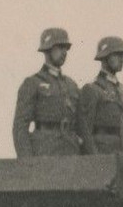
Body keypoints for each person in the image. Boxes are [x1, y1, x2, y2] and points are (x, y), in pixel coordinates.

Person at [12, 28, 81, 158]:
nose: (64, 52)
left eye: (66, 48)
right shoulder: (33, 83)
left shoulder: (71, 85)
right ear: (48, 49)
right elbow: (20, 127)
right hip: (44, 150)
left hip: (70, 150)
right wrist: (27, 161)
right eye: (60, 47)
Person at [78, 36, 123, 154]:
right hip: (103, 150)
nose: (122, 59)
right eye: (117, 55)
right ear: (104, 57)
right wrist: (95, 157)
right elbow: (85, 130)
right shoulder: (92, 89)